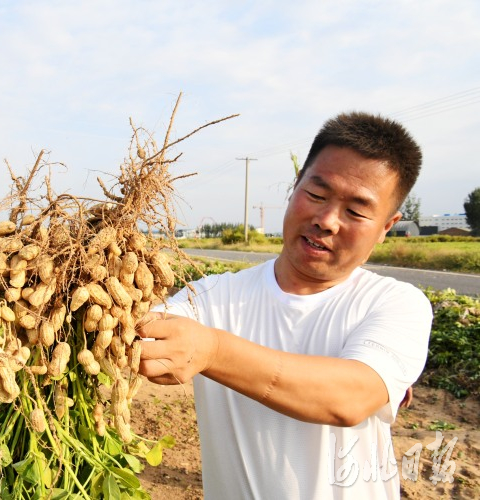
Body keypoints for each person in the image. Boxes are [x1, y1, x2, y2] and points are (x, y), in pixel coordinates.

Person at [137, 111, 432, 499]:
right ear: (294, 188)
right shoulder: (210, 298)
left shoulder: (396, 304)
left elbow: (350, 397)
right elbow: (145, 332)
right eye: (316, 195)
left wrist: (212, 350)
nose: (326, 220)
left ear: (386, 227)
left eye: (356, 211)